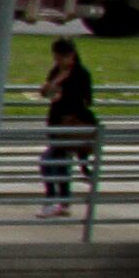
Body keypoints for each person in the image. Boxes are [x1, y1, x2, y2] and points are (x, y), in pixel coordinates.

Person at [38, 35, 97, 219]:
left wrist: (61, 93)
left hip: (71, 124)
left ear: (71, 55)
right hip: (57, 123)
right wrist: (50, 89)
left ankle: (52, 201)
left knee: (48, 161)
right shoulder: (56, 71)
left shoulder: (81, 74)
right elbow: (47, 93)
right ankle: (63, 203)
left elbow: (86, 100)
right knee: (61, 163)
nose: (58, 61)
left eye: (61, 57)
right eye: (56, 57)